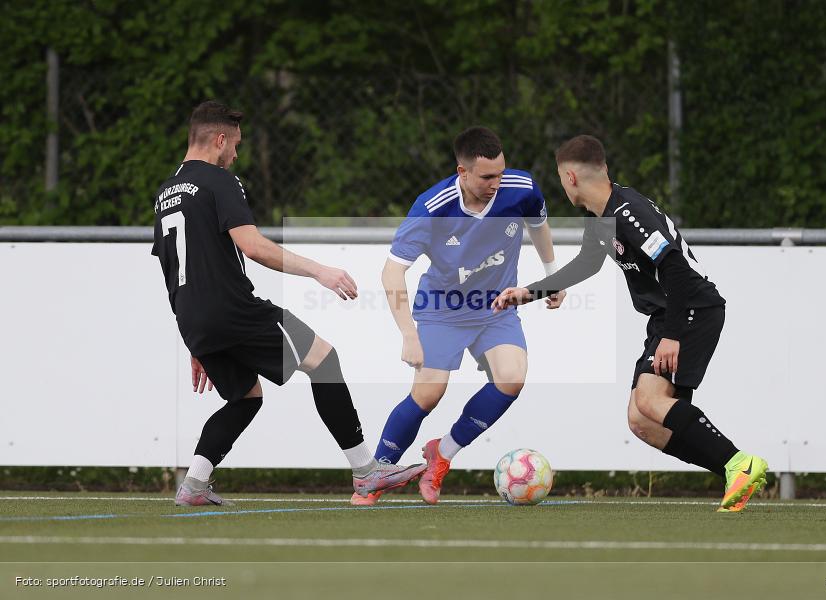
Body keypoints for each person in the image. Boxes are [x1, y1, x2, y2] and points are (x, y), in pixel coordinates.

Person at [151, 100, 425, 506]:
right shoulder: (219, 180)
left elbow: (171, 270)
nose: (236, 155)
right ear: (220, 139)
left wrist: (195, 338)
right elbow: (254, 246)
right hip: (233, 309)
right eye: (236, 145)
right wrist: (320, 271)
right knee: (324, 360)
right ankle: (366, 472)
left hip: (194, 317)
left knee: (245, 397)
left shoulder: (165, 194)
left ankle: (194, 484)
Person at [492, 135, 767, 512]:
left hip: (690, 312)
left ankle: (740, 464)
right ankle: (734, 473)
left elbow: (674, 268)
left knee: (650, 401)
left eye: (560, 179)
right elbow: (589, 263)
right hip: (668, 316)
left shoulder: (628, 212)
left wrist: (673, 335)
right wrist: (531, 292)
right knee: (642, 421)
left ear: (570, 177)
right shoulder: (601, 215)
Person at [356, 126, 565, 506]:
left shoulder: (521, 188)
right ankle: (375, 475)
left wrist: (554, 277)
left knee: (512, 378)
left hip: (495, 306)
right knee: (429, 393)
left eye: (500, 173)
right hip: (443, 308)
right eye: (487, 177)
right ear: (462, 172)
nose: (496, 184)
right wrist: (408, 334)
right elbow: (391, 271)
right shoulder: (432, 208)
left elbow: (539, 226)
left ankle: (443, 453)